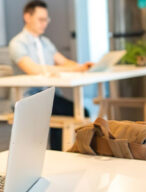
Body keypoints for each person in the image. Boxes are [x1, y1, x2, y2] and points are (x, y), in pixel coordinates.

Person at [8, 0, 92, 151]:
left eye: (46, 19)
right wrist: (69, 70)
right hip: (30, 98)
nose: (45, 23)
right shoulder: (17, 44)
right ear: (27, 17)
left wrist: (82, 67)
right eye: (41, 19)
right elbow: (33, 69)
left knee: (81, 112)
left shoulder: (46, 42)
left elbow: (63, 62)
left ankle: (62, 153)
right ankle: (59, 153)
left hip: (50, 95)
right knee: (70, 112)